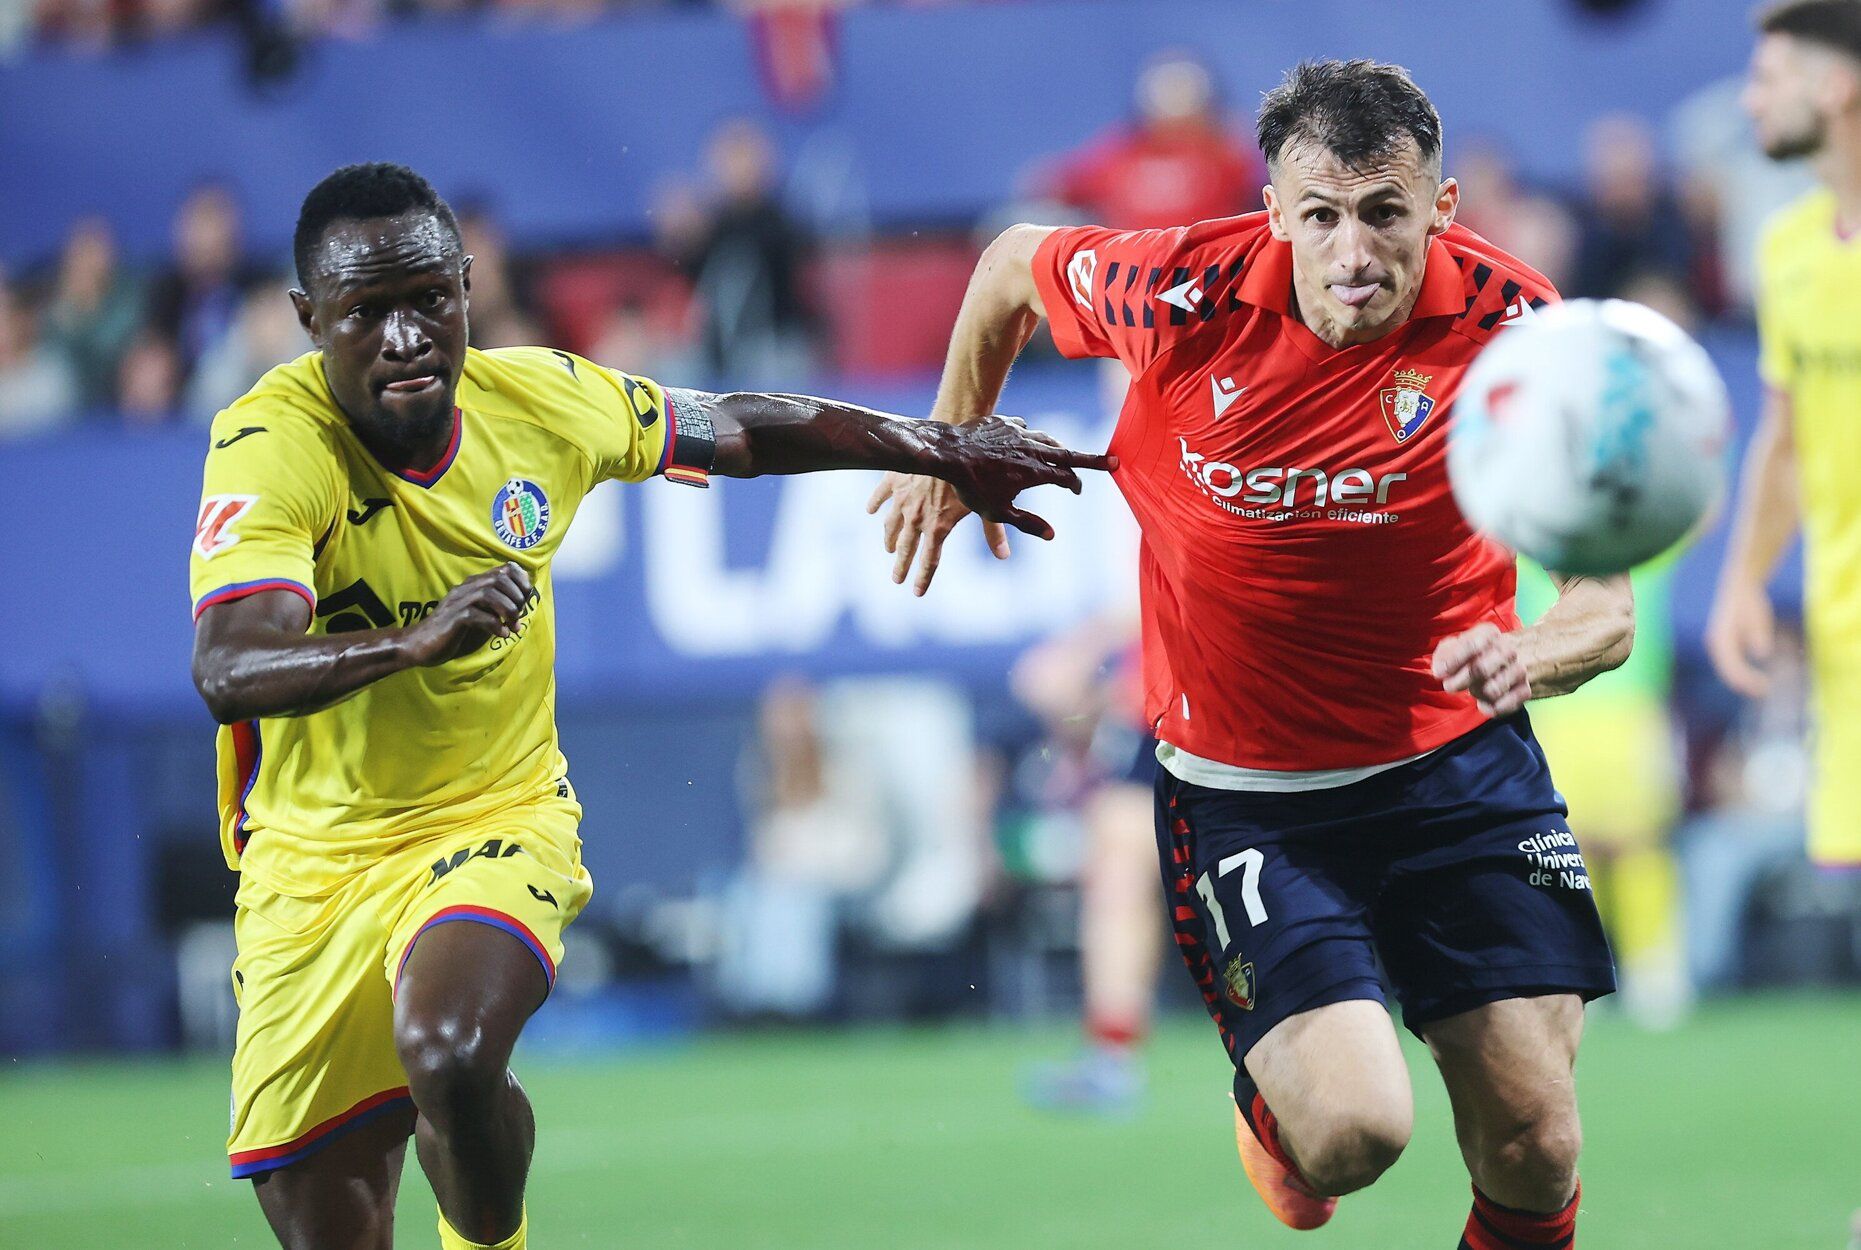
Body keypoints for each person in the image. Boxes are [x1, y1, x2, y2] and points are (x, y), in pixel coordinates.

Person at [188, 162, 1107, 1250]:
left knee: (447, 1049)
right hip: (308, 861)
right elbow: (229, 664)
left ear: (468, 287)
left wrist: (936, 444)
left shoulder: (539, 402)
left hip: (491, 815)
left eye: (429, 299)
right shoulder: (271, 439)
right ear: (308, 319)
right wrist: (417, 639)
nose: (405, 337)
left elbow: (741, 425)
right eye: (366, 313)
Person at [871, 60, 1632, 1245]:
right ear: (1272, 209)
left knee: (1537, 1140)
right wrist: (947, 439)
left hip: (1460, 767)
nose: (1352, 253)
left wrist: (1527, 654)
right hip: (1250, 796)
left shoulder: (1527, 339)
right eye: (1319, 215)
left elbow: (1605, 607)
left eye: (1384, 212)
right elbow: (1012, 262)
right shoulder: (1174, 289)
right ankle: (1281, 1116)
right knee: (1353, 1135)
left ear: (1441, 207)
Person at [1709, 0, 1861, 873]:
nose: (1747, 101)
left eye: (1767, 78)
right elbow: (1786, 438)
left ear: (1835, 87)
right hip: (1842, 632)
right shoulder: (1787, 246)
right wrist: (1742, 580)